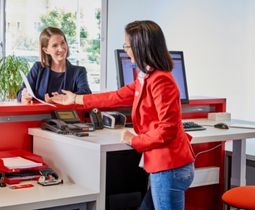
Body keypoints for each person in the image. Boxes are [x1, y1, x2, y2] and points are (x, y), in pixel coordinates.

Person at [51, 20, 195, 210]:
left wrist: (134, 140)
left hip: (170, 167)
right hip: (165, 166)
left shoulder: (161, 81)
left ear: (140, 47)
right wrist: (76, 99)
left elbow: (167, 130)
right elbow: (116, 96)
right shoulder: (147, 77)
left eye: (127, 45)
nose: (126, 51)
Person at [16, 27, 91, 103]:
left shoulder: (79, 71)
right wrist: (24, 96)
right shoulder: (38, 68)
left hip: (68, 114)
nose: (61, 49)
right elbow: (21, 92)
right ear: (46, 50)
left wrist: (63, 99)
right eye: (55, 45)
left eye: (62, 43)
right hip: (39, 114)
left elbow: (86, 95)